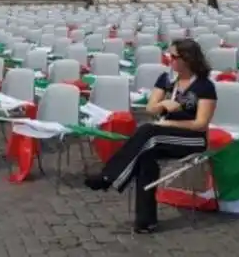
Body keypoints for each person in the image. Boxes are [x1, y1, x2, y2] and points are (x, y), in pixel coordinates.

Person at [84, 38, 217, 234]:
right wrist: (164, 106)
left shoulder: (204, 86)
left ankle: (109, 176)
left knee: (148, 133)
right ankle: (146, 221)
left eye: (173, 56)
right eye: (168, 55)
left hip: (192, 138)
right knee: (145, 155)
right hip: (163, 135)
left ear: (187, 59)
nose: (169, 60)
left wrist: (169, 122)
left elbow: (200, 124)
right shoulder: (167, 79)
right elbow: (150, 108)